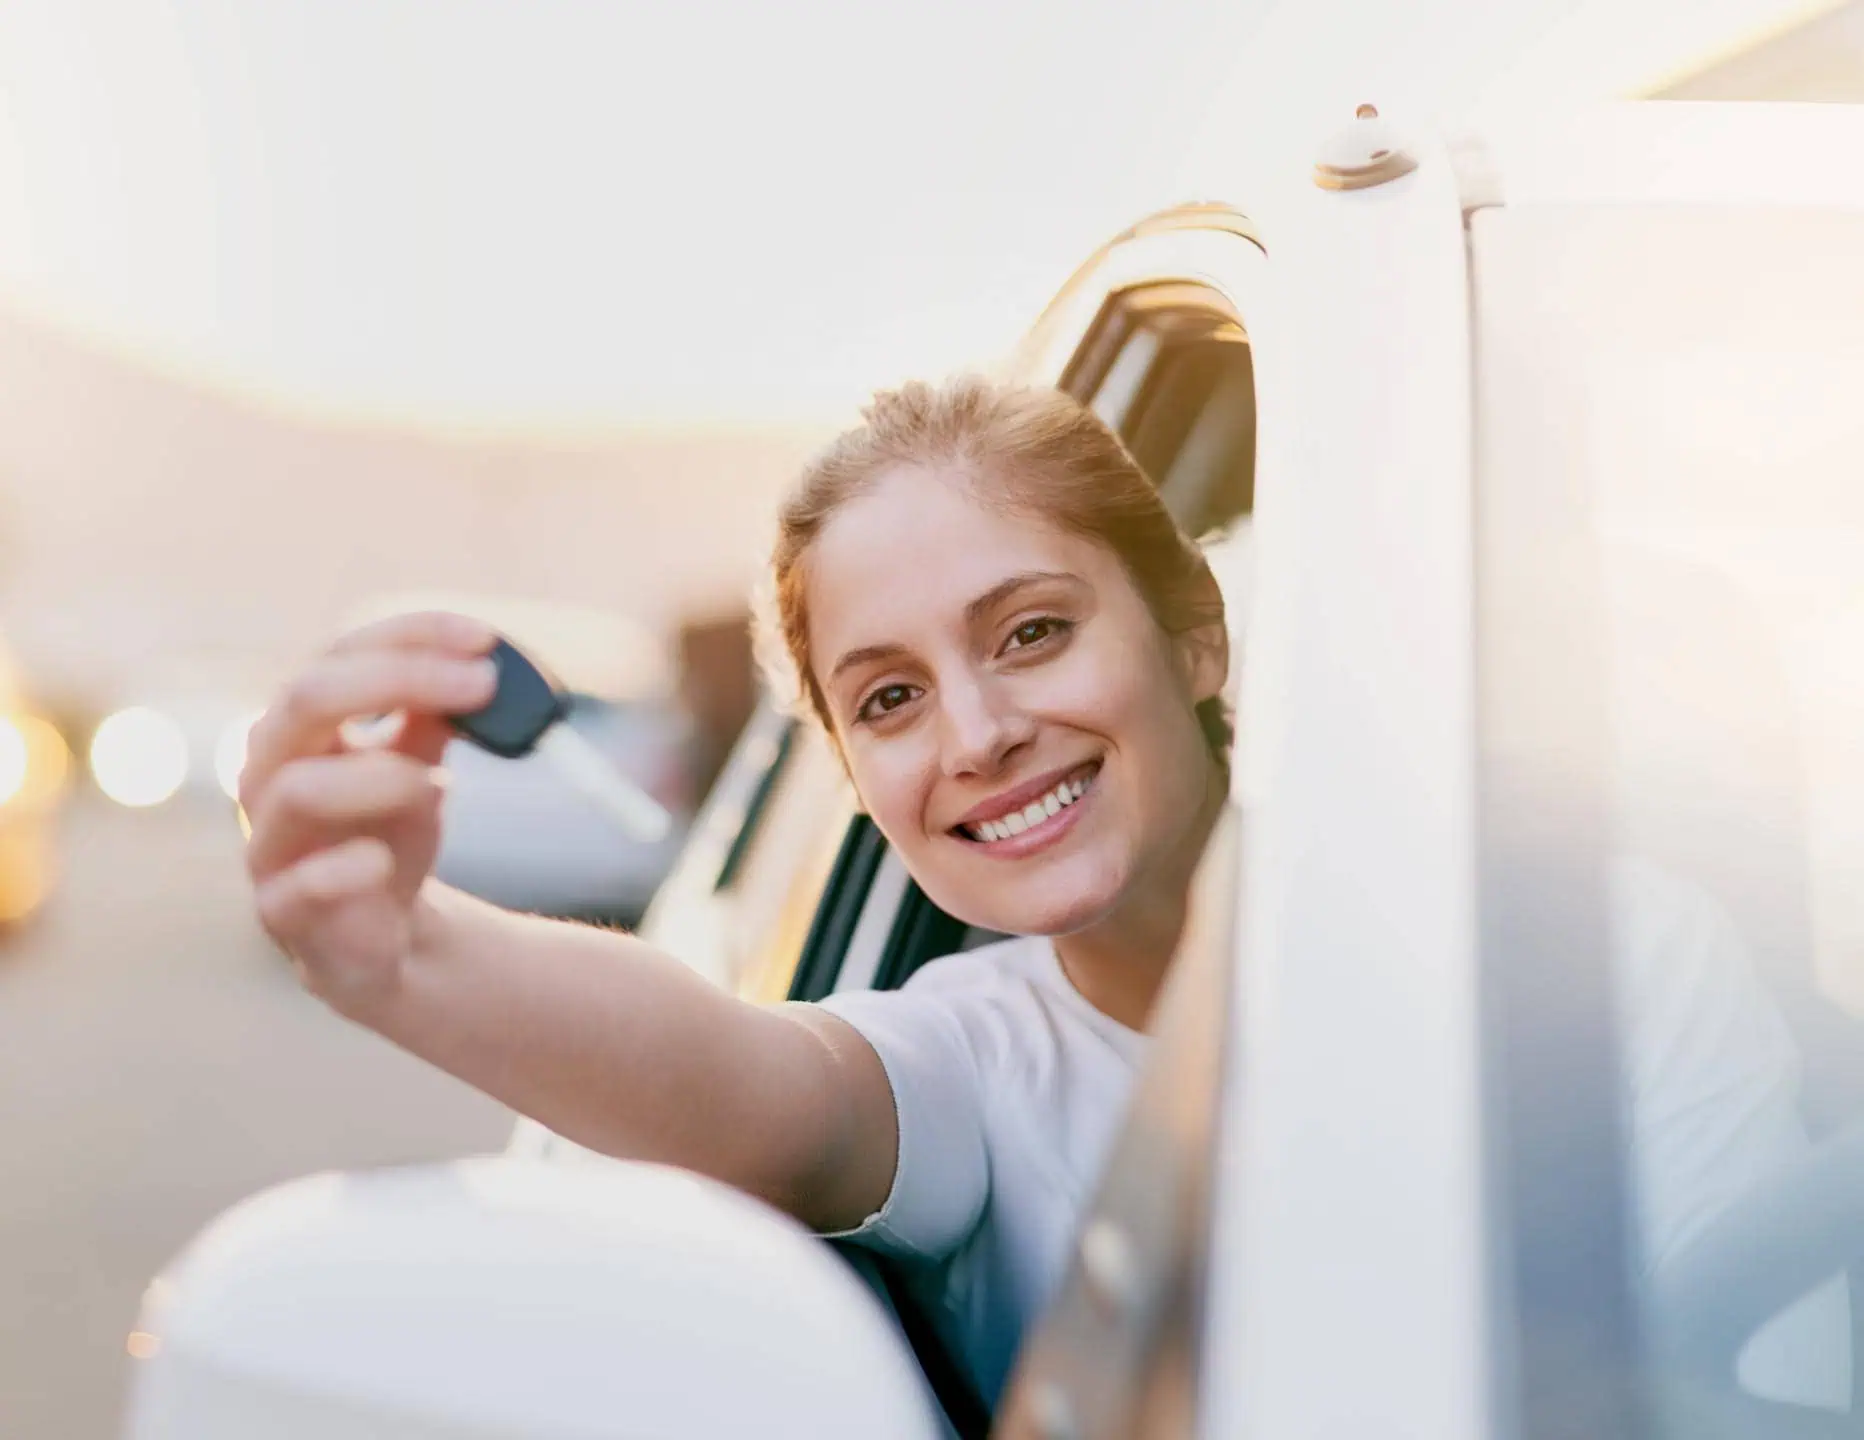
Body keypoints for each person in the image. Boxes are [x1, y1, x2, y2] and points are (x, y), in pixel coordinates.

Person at [241, 376, 1233, 1407]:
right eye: (891, 699)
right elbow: (749, 1081)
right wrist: (407, 950)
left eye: (1031, 632)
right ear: (852, 780)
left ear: (1194, 634)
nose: (979, 736)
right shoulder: (974, 1063)